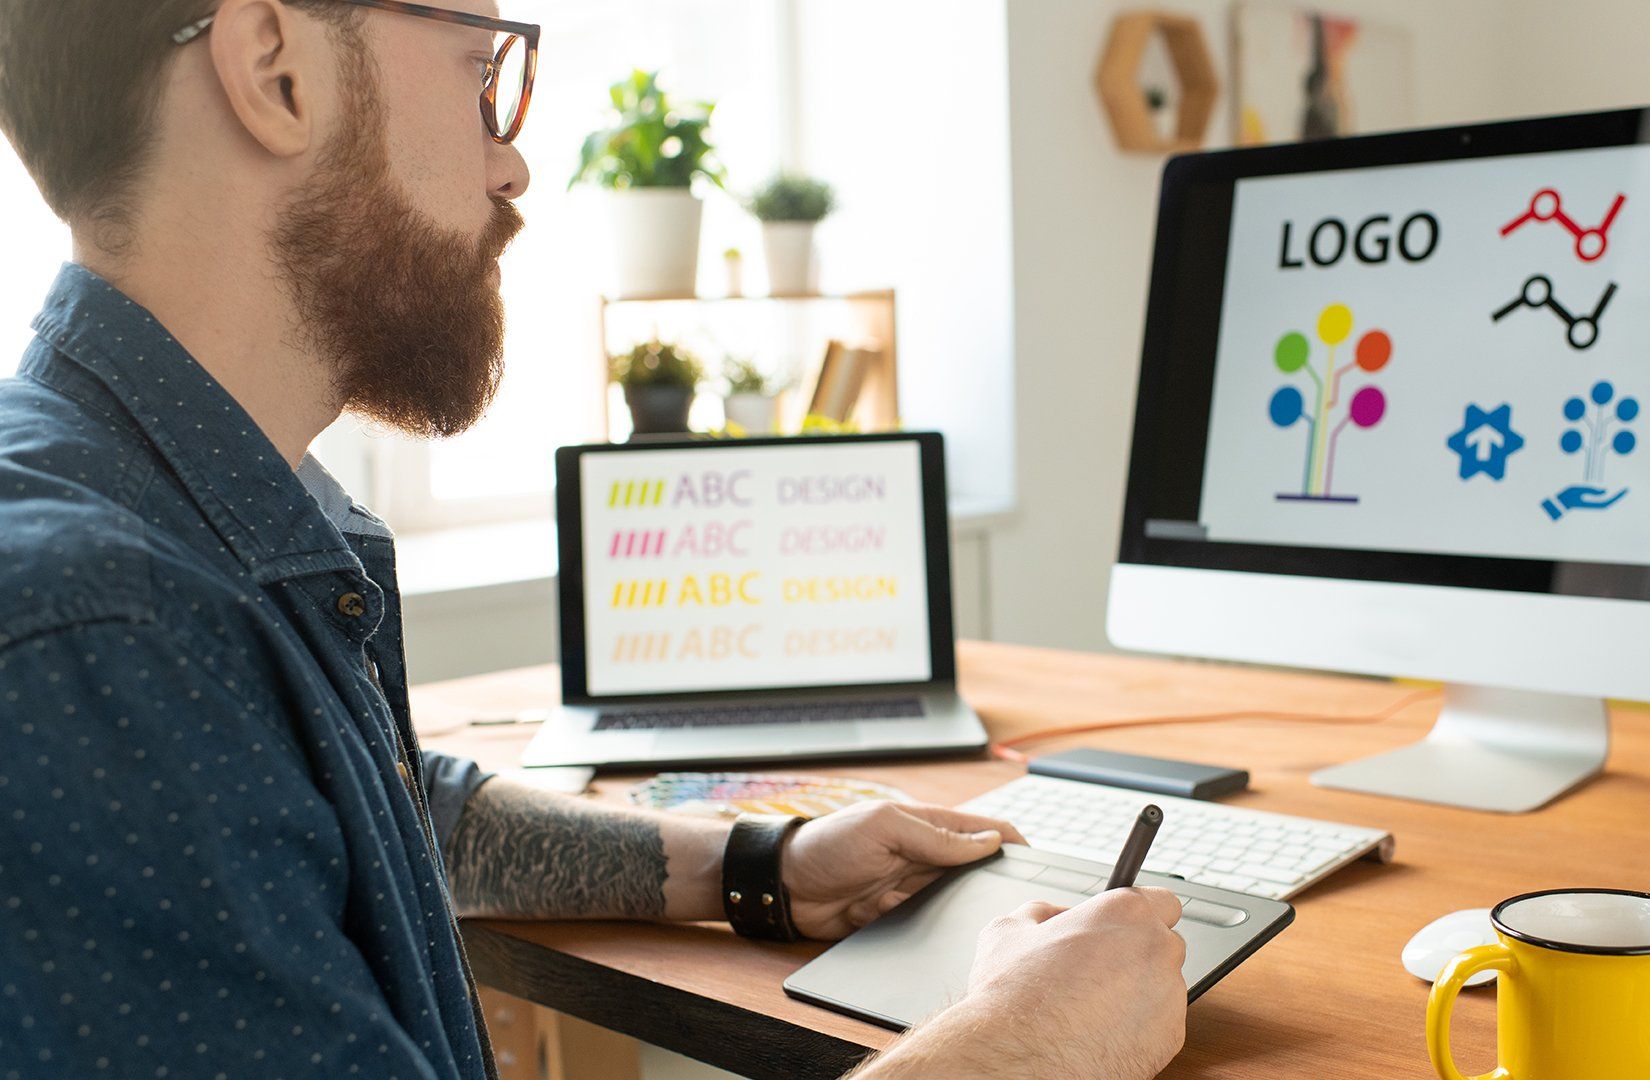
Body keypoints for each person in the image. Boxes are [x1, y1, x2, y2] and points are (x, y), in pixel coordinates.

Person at [0, 2, 1190, 1077]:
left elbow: (405, 816)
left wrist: (758, 865)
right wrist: (1030, 1045)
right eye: (483, 72)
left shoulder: (184, 508)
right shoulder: (97, 637)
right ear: (277, 71)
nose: (512, 162)